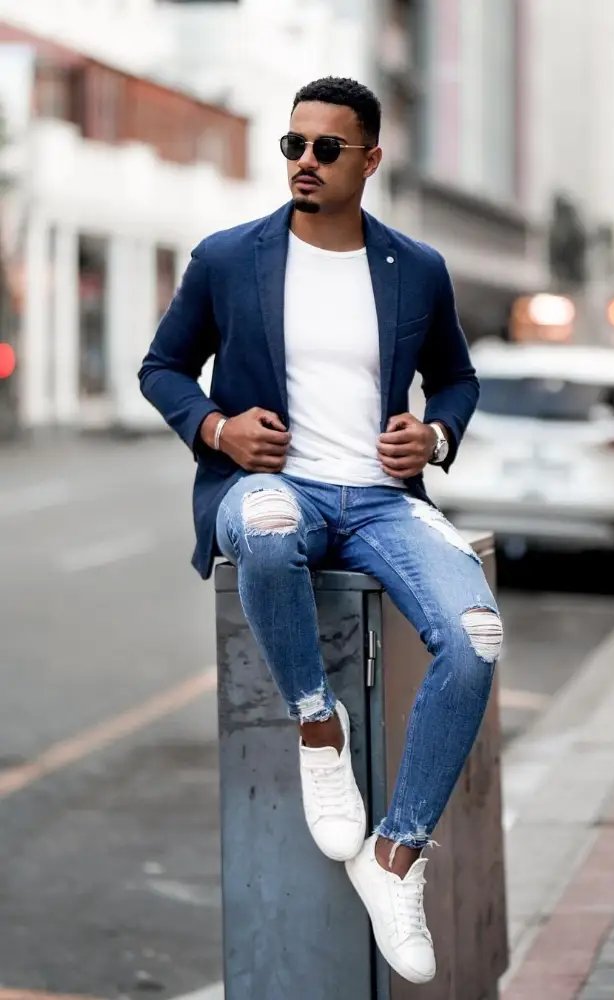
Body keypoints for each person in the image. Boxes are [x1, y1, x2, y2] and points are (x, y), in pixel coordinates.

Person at [138, 76, 503, 985]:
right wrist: (219, 429)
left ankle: (396, 856)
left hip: (382, 502)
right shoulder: (230, 258)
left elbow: (457, 379)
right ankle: (317, 727)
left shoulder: (416, 268)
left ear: (369, 159)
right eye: (293, 146)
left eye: (326, 149)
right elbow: (163, 367)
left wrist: (437, 432)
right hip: (275, 489)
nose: (305, 162)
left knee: (476, 640)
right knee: (261, 526)